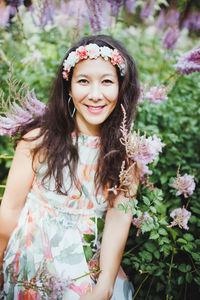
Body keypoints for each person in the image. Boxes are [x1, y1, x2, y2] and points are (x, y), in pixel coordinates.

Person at [0, 34, 140, 299]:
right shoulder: (38, 141)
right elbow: (9, 210)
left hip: (86, 271)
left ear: (121, 88)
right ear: (69, 87)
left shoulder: (127, 155)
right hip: (30, 267)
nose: (95, 94)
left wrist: (106, 285)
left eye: (107, 81)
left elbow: (118, 219)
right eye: (83, 81)